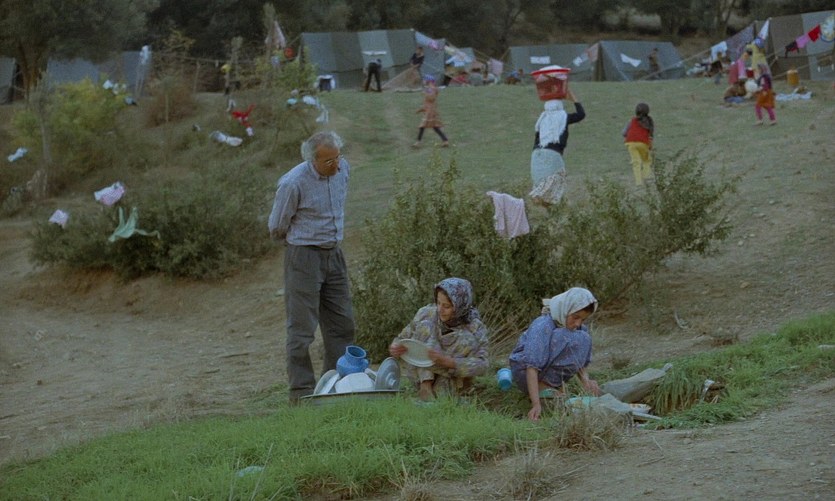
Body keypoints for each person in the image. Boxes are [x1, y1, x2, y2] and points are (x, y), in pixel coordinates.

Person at [268, 131, 356, 403]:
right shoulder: (293, 183)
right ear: (312, 160)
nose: (336, 165)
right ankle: (301, 393)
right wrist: (300, 247)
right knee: (302, 330)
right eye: (329, 161)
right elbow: (277, 226)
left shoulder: (343, 170)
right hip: (304, 257)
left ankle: (335, 385)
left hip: (334, 254)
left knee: (342, 324)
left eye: (338, 158)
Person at [389, 278, 489, 401]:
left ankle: (441, 392)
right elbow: (402, 338)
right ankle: (425, 385)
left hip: (451, 375)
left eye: (446, 306)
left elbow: (482, 365)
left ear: (459, 307)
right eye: (438, 303)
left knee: (467, 340)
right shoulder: (426, 313)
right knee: (426, 326)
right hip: (421, 372)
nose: (440, 309)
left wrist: (446, 361)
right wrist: (396, 347)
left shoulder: (475, 328)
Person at [508, 288, 601, 421]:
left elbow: (580, 358)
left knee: (583, 337)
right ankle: (540, 389)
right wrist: (536, 405)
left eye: (583, 319)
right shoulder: (542, 325)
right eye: (575, 317)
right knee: (565, 336)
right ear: (565, 309)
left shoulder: (578, 327)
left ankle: (552, 386)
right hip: (527, 372)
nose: (578, 323)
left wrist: (586, 381)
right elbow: (531, 366)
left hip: (548, 372)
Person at [529, 88, 586, 206]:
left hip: (536, 155)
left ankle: (544, 203)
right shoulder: (563, 117)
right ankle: (549, 203)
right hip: (552, 154)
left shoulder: (542, 119)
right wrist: (573, 98)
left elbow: (536, 139)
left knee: (542, 181)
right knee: (557, 179)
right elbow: (581, 114)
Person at [622, 102, 654, 186]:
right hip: (643, 143)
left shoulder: (632, 120)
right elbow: (650, 136)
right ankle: (645, 177)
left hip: (630, 143)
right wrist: (650, 145)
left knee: (636, 162)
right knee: (647, 161)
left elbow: (624, 133)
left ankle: (638, 182)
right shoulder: (649, 122)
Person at [413, 75, 450, 148]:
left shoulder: (431, 89)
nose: (424, 81)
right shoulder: (430, 89)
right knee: (435, 127)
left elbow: (431, 98)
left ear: (429, 81)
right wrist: (421, 109)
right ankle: (445, 141)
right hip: (430, 110)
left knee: (422, 126)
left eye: (425, 80)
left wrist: (425, 93)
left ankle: (418, 142)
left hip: (430, 111)